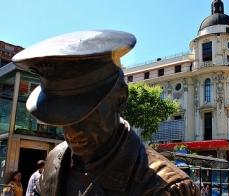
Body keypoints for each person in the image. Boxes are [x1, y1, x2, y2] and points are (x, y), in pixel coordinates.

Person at [12, 30, 200, 195]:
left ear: (120, 99)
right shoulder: (55, 160)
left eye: (85, 114)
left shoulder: (167, 188)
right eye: (62, 116)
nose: (71, 132)